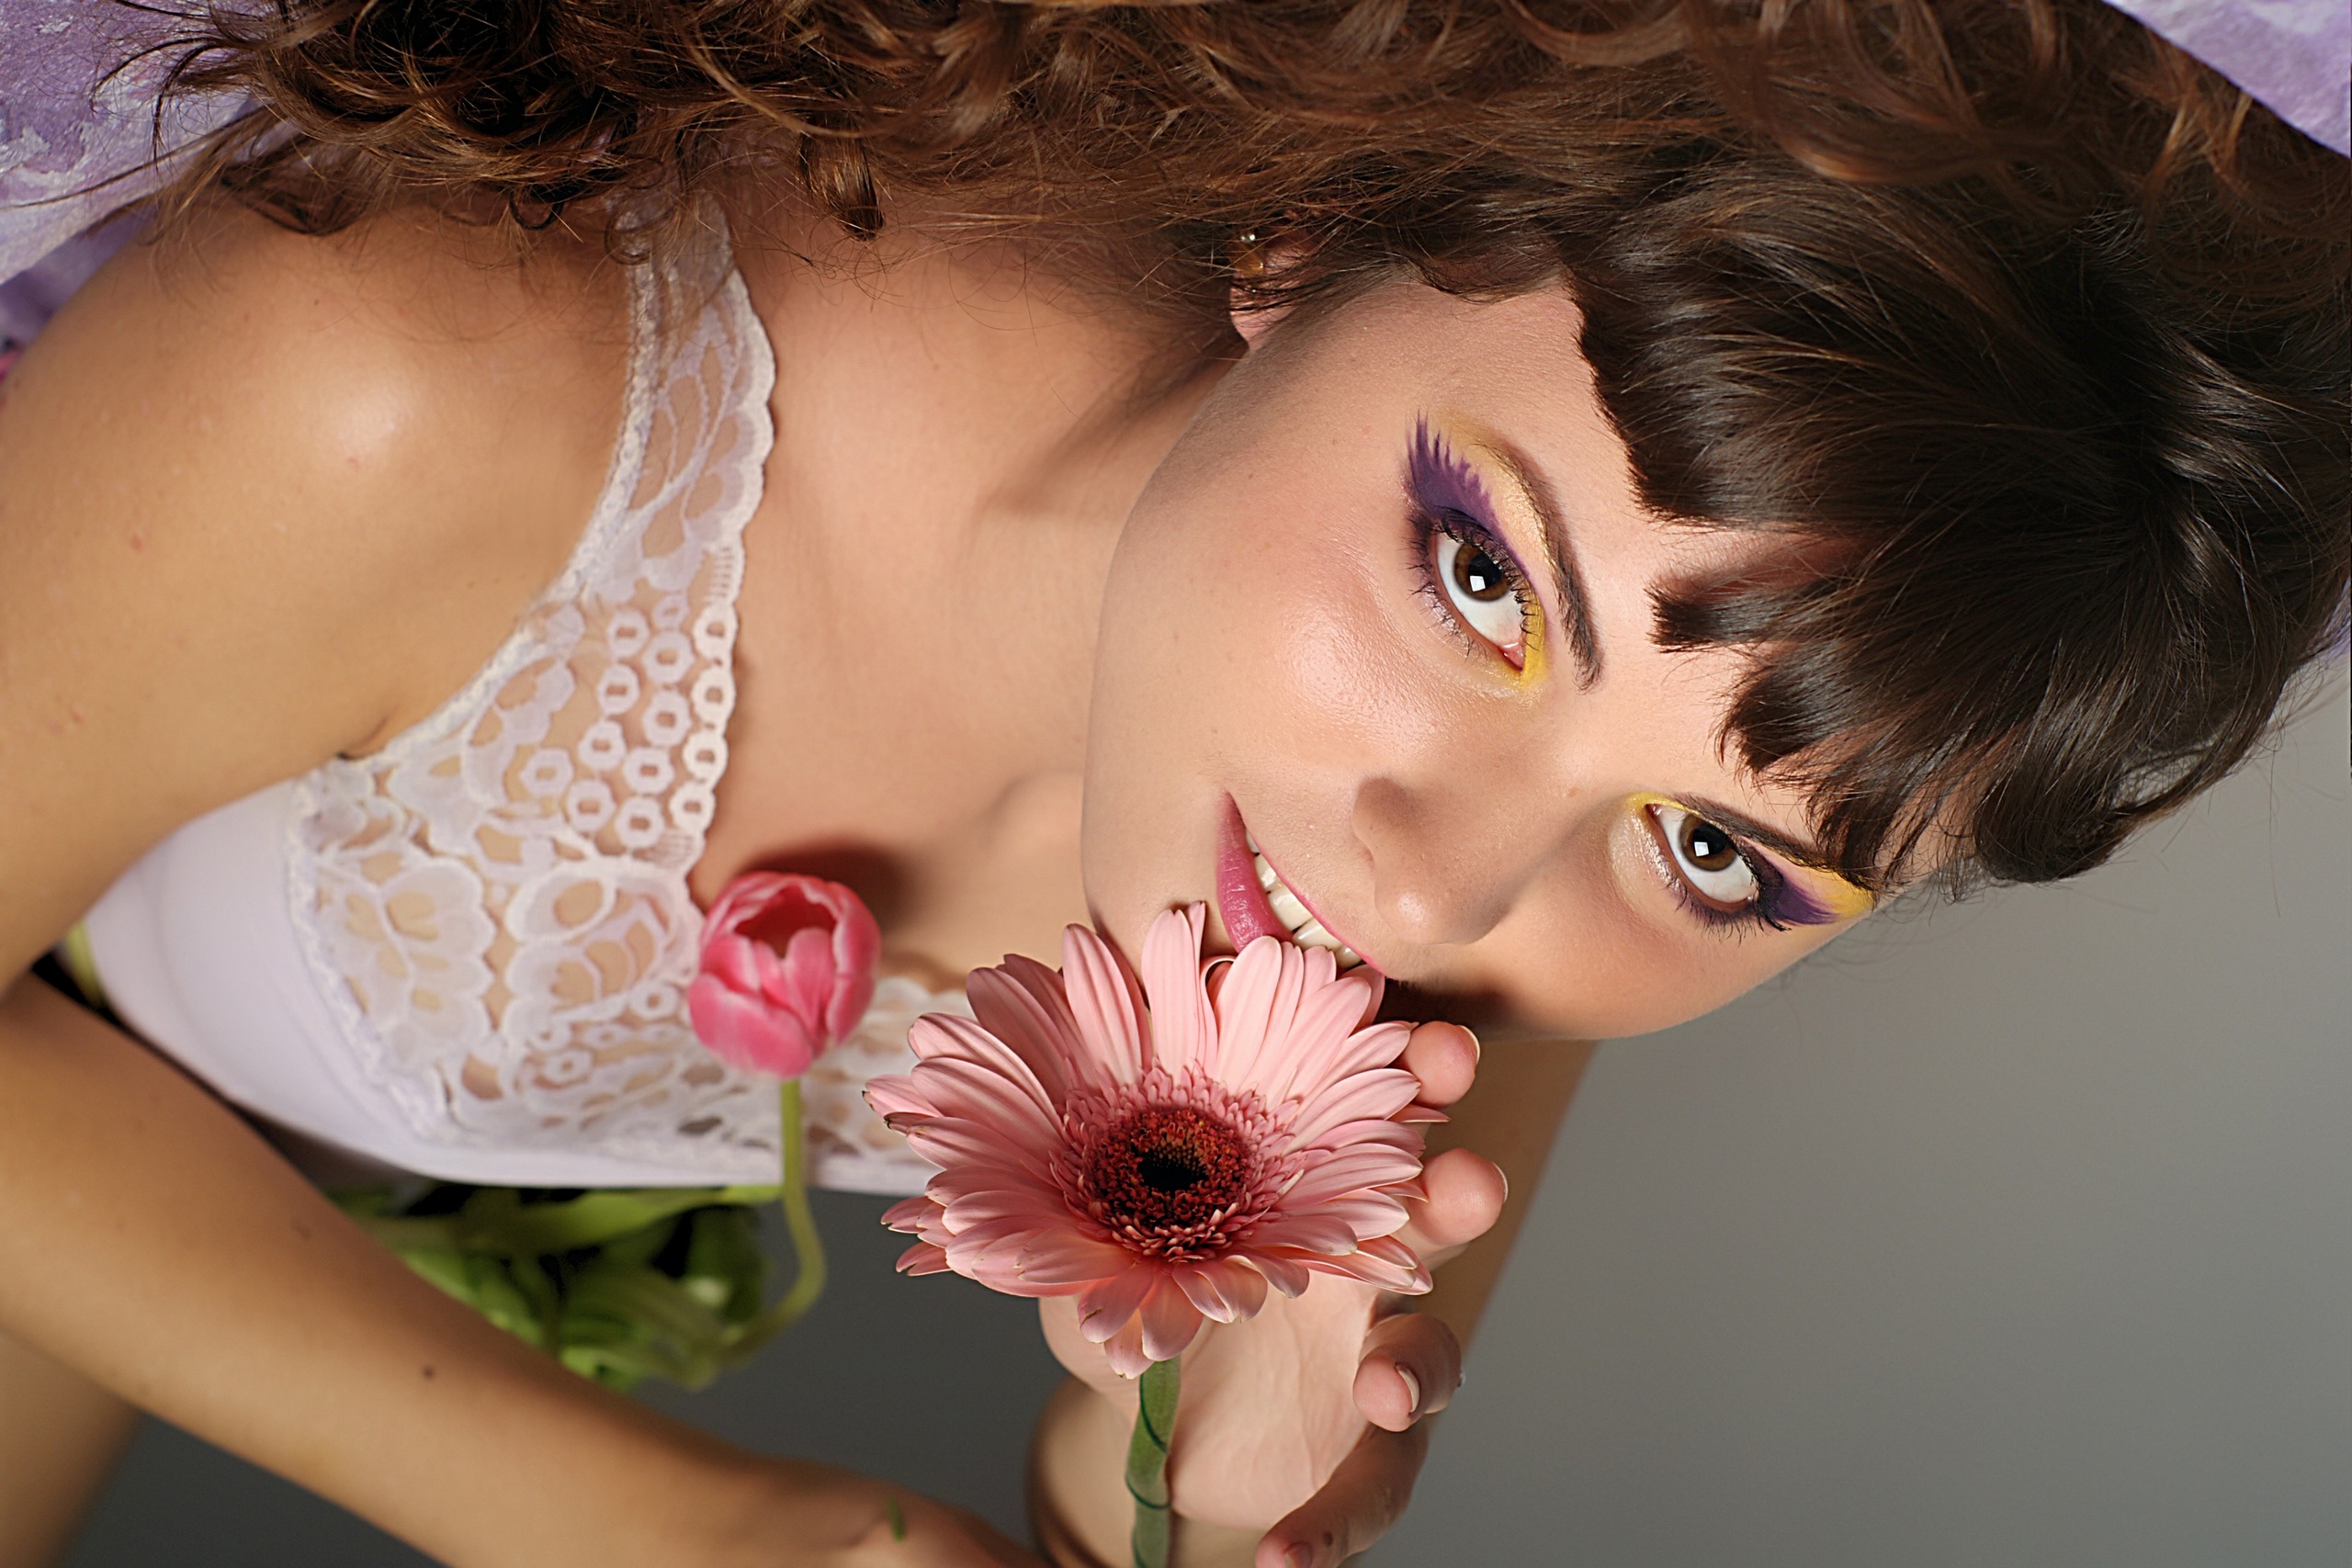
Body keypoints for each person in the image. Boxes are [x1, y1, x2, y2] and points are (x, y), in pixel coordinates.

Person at [0, 2, 2342, 1565]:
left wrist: (1242, 1448)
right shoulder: (428, 375)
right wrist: (641, 1521)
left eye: (1723, 846)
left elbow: (1137, 1512)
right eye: (1478, 574)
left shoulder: (1505, 920)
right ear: (1316, 237)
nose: (1437, 881)